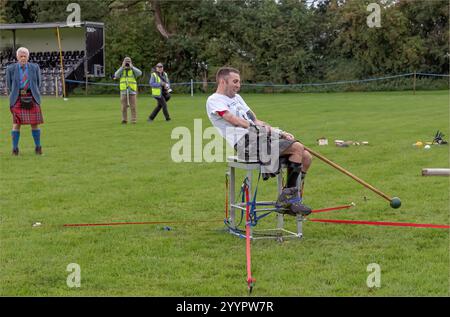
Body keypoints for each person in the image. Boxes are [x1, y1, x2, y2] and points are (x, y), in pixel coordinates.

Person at [206, 67, 313, 216]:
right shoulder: (214, 100)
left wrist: (279, 132)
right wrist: (258, 128)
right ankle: (287, 200)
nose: (238, 85)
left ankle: (292, 199)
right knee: (297, 148)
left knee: (306, 157)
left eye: (239, 82)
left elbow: (255, 120)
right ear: (223, 81)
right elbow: (233, 119)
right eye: (235, 81)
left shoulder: (237, 98)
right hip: (245, 144)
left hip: (260, 138)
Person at [6, 47, 43, 156]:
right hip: (17, 98)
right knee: (16, 124)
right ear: (17, 57)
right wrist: (15, 94)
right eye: (21, 56)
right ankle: (15, 149)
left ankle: (38, 148)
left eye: (25, 56)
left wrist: (33, 92)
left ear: (28, 57)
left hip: (32, 97)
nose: (23, 58)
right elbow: (9, 85)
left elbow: (38, 82)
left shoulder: (34, 67)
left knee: (34, 124)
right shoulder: (10, 69)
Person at [114, 57, 142, 124]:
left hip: (132, 90)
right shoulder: (121, 70)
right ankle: (124, 119)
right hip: (123, 90)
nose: (127, 63)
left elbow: (140, 73)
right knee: (124, 106)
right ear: (123, 62)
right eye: (126, 61)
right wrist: (122, 67)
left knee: (133, 106)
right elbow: (116, 75)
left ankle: (133, 120)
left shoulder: (133, 70)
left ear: (131, 62)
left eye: (128, 61)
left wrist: (132, 67)